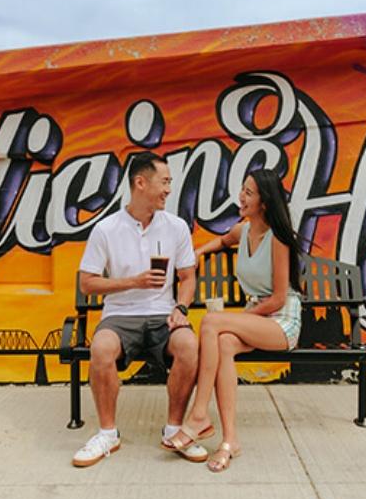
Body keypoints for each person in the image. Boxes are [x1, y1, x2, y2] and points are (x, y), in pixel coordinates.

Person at [72, 152, 205, 467]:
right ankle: (107, 434)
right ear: (140, 183)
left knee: (188, 345)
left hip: (163, 314)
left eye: (170, 182)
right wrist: (132, 282)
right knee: (102, 349)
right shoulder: (106, 229)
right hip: (120, 316)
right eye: (165, 182)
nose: (169, 190)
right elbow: (87, 284)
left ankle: (174, 429)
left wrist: (182, 307)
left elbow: (188, 277)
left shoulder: (176, 227)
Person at [166, 168, 303, 472]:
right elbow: (223, 241)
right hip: (258, 317)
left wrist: (239, 318)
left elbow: (280, 298)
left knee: (213, 323)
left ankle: (199, 415)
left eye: (249, 192)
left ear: (264, 202)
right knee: (224, 343)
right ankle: (230, 440)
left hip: (282, 320)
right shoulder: (244, 231)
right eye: (242, 189)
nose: (241, 196)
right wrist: (199, 252)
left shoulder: (279, 238)